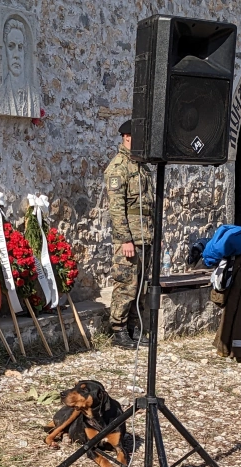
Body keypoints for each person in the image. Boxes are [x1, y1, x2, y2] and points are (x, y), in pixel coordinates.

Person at [104, 120, 154, 349]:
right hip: (130, 238)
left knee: (141, 285)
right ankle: (119, 330)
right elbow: (116, 207)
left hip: (145, 235)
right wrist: (125, 238)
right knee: (126, 284)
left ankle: (135, 328)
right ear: (127, 137)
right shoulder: (118, 167)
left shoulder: (141, 166)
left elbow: (148, 204)